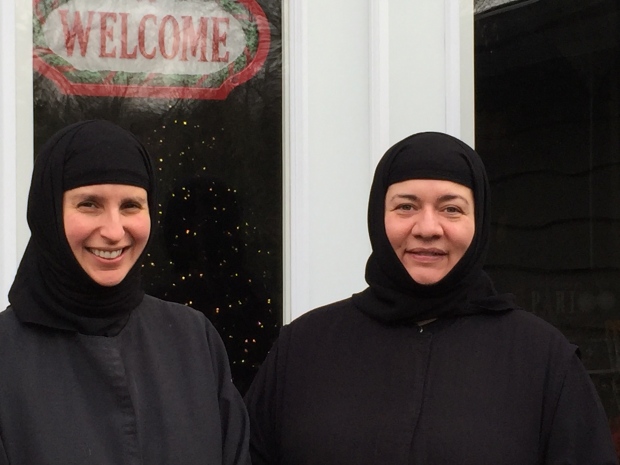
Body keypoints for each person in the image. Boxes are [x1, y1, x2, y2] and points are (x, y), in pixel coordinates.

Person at [244, 132, 618, 465]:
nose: (427, 228)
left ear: (480, 221)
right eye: (405, 206)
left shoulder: (542, 360)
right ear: (378, 216)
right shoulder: (304, 349)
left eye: (451, 209)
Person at [0, 120, 250, 465]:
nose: (114, 231)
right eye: (89, 204)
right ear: (48, 213)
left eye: (131, 205)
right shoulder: (7, 355)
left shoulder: (193, 340)